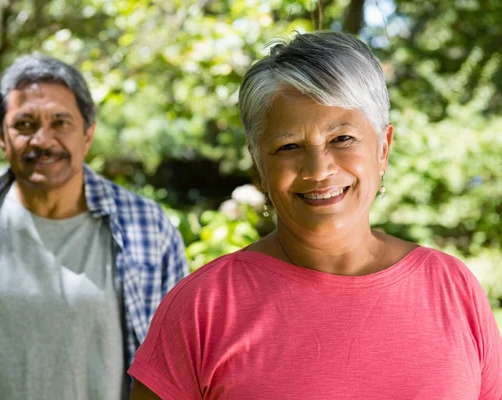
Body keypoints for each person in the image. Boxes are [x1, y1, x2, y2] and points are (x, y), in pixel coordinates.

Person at [128, 31, 502, 399]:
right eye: (288, 146)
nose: (319, 170)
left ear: (383, 149)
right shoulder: (202, 308)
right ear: (259, 164)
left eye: (342, 139)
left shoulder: (453, 289)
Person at [0, 54, 189, 400]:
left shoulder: (148, 229)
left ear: (88, 133)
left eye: (61, 122)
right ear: (0, 135)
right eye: (25, 124)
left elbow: (177, 371)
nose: (43, 140)